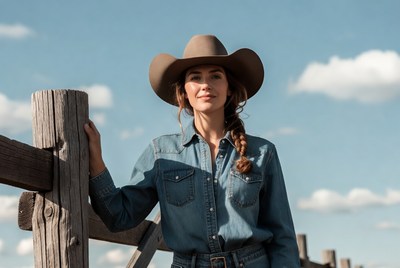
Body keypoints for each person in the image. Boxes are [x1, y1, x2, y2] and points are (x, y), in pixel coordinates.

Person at [85, 34, 300, 268]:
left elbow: (282, 237)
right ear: (184, 91)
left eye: (215, 76)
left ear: (229, 88)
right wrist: (96, 162)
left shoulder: (262, 152)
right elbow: (119, 216)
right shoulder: (162, 153)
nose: (205, 85)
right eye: (195, 77)